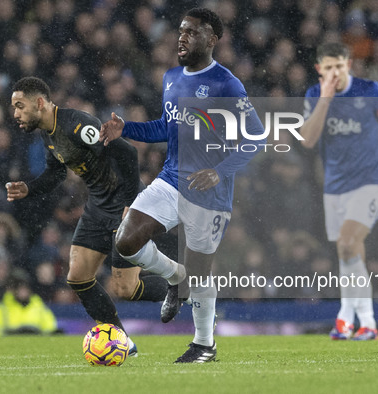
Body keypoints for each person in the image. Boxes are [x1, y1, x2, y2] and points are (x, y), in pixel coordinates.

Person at [100, 8, 264, 363]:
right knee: (126, 240)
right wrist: (124, 129)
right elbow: (165, 127)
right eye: (180, 31)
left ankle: (205, 344)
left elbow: (257, 138)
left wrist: (220, 171)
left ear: (212, 39)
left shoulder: (226, 83)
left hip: (209, 191)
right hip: (172, 179)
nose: (182, 37)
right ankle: (176, 277)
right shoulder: (172, 78)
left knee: (202, 272)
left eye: (192, 32)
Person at [7, 76, 169, 355]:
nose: (15, 114)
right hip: (98, 206)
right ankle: (123, 341)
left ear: (40, 103)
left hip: (126, 204)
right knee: (78, 277)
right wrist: (29, 189)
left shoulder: (77, 125)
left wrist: (132, 203)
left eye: (20, 106)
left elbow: (128, 153)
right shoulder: (48, 133)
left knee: (125, 289)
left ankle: (189, 291)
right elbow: (57, 172)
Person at [300, 42, 378, 340]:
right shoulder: (314, 96)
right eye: (328, 68)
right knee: (348, 252)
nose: (334, 72)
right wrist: (325, 101)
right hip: (335, 188)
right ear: (319, 70)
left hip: (371, 183)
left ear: (348, 65)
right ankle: (366, 323)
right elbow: (308, 140)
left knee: (348, 242)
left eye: (339, 66)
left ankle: (344, 317)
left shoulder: (372, 90)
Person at [0, 268, 58, 337]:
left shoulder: (40, 308)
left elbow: (50, 330)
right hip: (9, 345)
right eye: (18, 287)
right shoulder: (1, 308)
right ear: (13, 289)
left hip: (35, 345)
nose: (23, 290)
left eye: (25, 286)